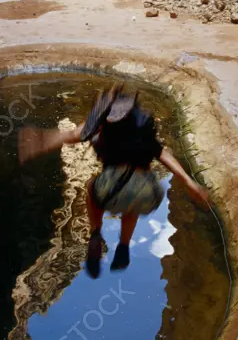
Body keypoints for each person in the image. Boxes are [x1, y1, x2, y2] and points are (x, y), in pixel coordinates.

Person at [56, 86, 210, 278]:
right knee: (132, 201)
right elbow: (161, 152)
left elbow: (74, 136)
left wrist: (44, 141)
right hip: (147, 194)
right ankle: (124, 245)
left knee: (92, 188)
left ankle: (96, 233)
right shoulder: (143, 123)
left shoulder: (101, 127)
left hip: (109, 190)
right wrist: (188, 182)